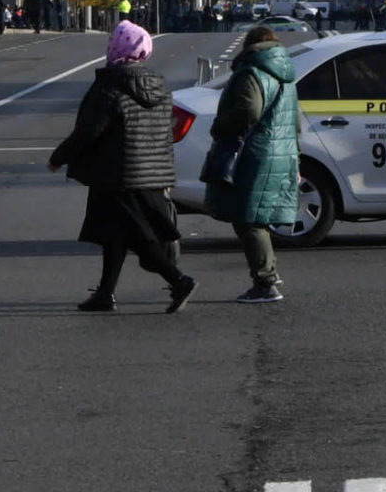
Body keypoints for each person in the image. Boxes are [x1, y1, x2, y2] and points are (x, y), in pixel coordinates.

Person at [50, 19, 195, 312]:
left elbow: (90, 130)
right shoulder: (158, 87)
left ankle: (179, 280)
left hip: (118, 174)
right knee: (114, 234)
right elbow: (164, 137)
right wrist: (167, 174)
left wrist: (59, 157)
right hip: (149, 174)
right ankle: (105, 293)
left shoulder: (111, 86)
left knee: (139, 237)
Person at [205, 26, 300, 303]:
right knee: (257, 215)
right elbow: (295, 121)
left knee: (249, 218)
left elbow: (249, 110)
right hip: (282, 150)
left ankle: (265, 282)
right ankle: (268, 270)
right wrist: (297, 156)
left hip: (256, 153)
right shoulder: (286, 75)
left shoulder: (251, 72)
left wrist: (220, 126)